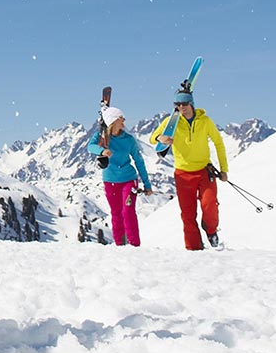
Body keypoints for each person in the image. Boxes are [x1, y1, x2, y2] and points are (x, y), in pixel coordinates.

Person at [148, 88, 229, 250]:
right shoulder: (170, 122)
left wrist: (224, 169)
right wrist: (160, 137)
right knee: (187, 214)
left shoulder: (204, 121)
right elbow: (152, 138)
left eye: (184, 104)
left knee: (210, 204)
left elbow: (218, 143)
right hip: (183, 175)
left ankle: (211, 231)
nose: (181, 107)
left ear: (191, 104)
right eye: (177, 104)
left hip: (205, 171)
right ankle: (194, 249)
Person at [87, 104, 153, 246]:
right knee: (116, 214)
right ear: (113, 121)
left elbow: (139, 161)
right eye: (121, 118)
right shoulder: (101, 137)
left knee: (128, 212)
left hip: (129, 180)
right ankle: (120, 246)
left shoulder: (128, 139)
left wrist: (147, 184)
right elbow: (90, 147)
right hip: (110, 180)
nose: (124, 120)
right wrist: (102, 151)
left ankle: (134, 245)